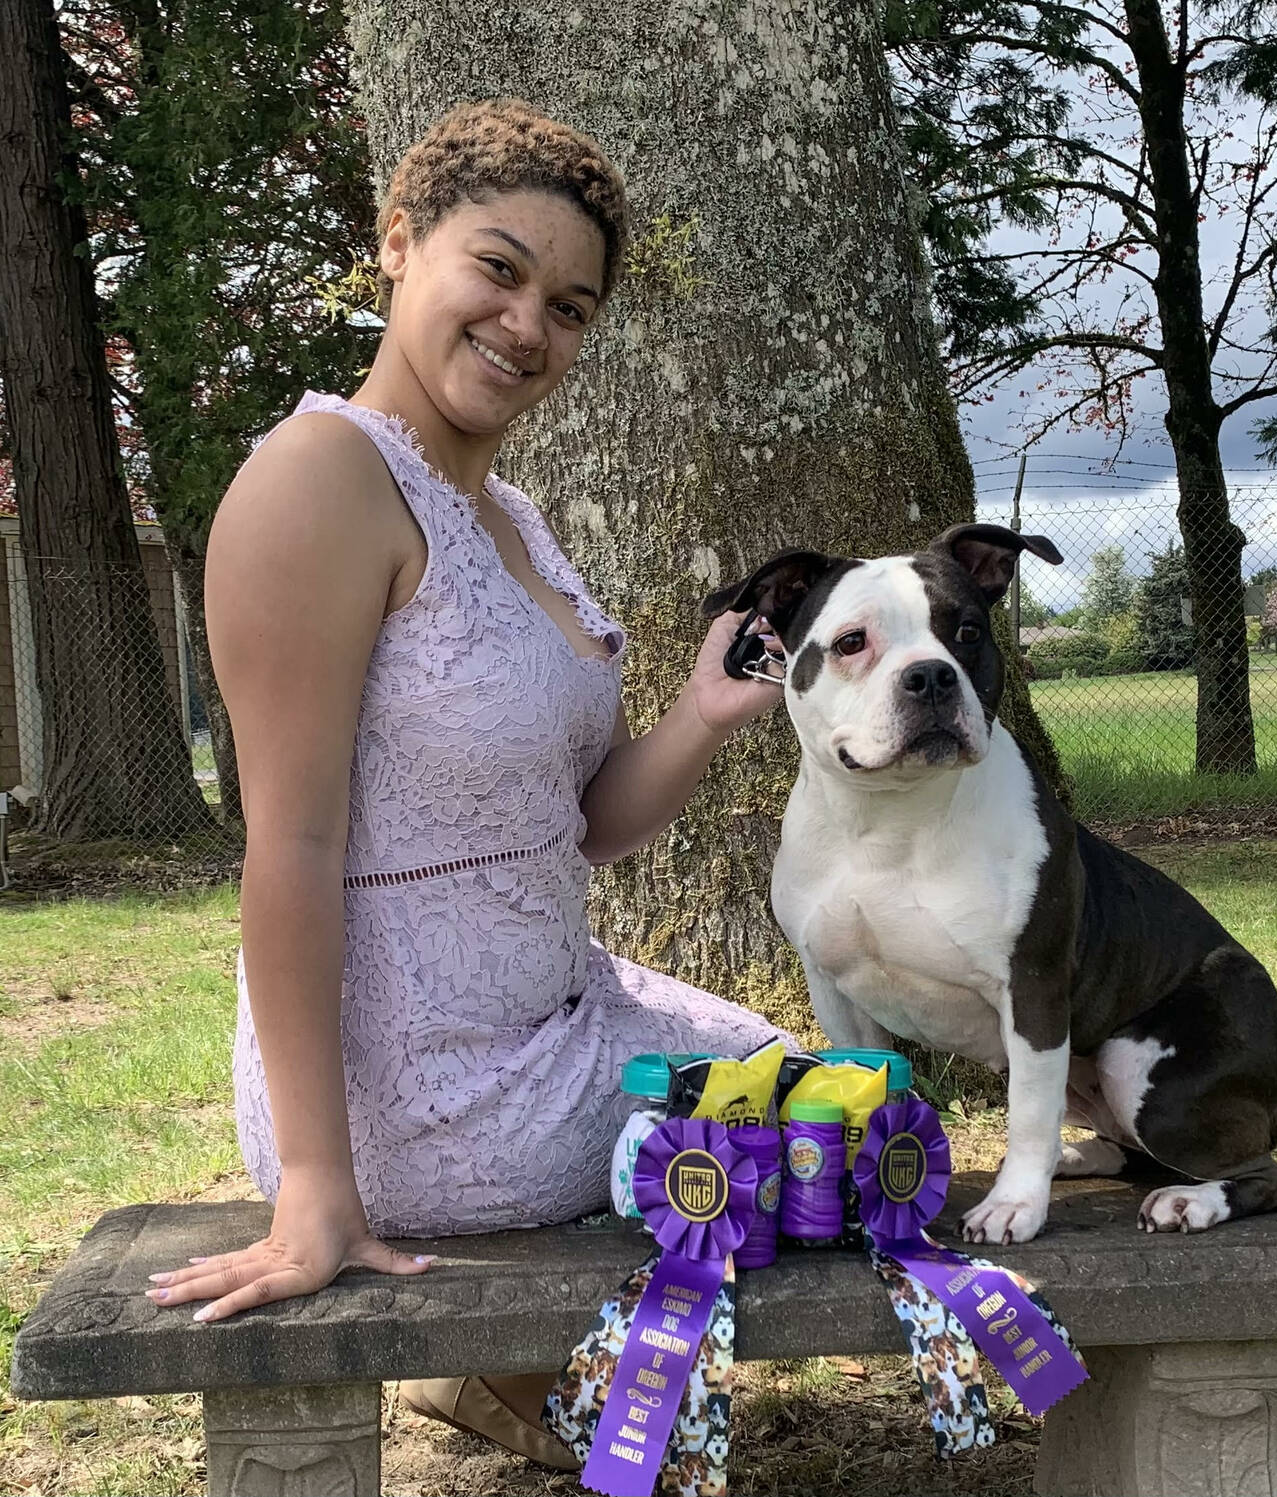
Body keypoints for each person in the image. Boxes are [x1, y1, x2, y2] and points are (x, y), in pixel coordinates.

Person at [140, 98, 790, 1466]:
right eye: (497, 270)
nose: (528, 326)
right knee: (813, 1122)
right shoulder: (316, 481)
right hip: (419, 1089)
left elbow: (589, 825)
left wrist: (701, 710)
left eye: (571, 305)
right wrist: (318, 1186)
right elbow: (291, 848)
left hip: (558, 1010)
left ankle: (513, 1378)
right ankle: (529, 1374)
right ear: (397, 243)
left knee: (827, 1098)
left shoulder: (514, 520)